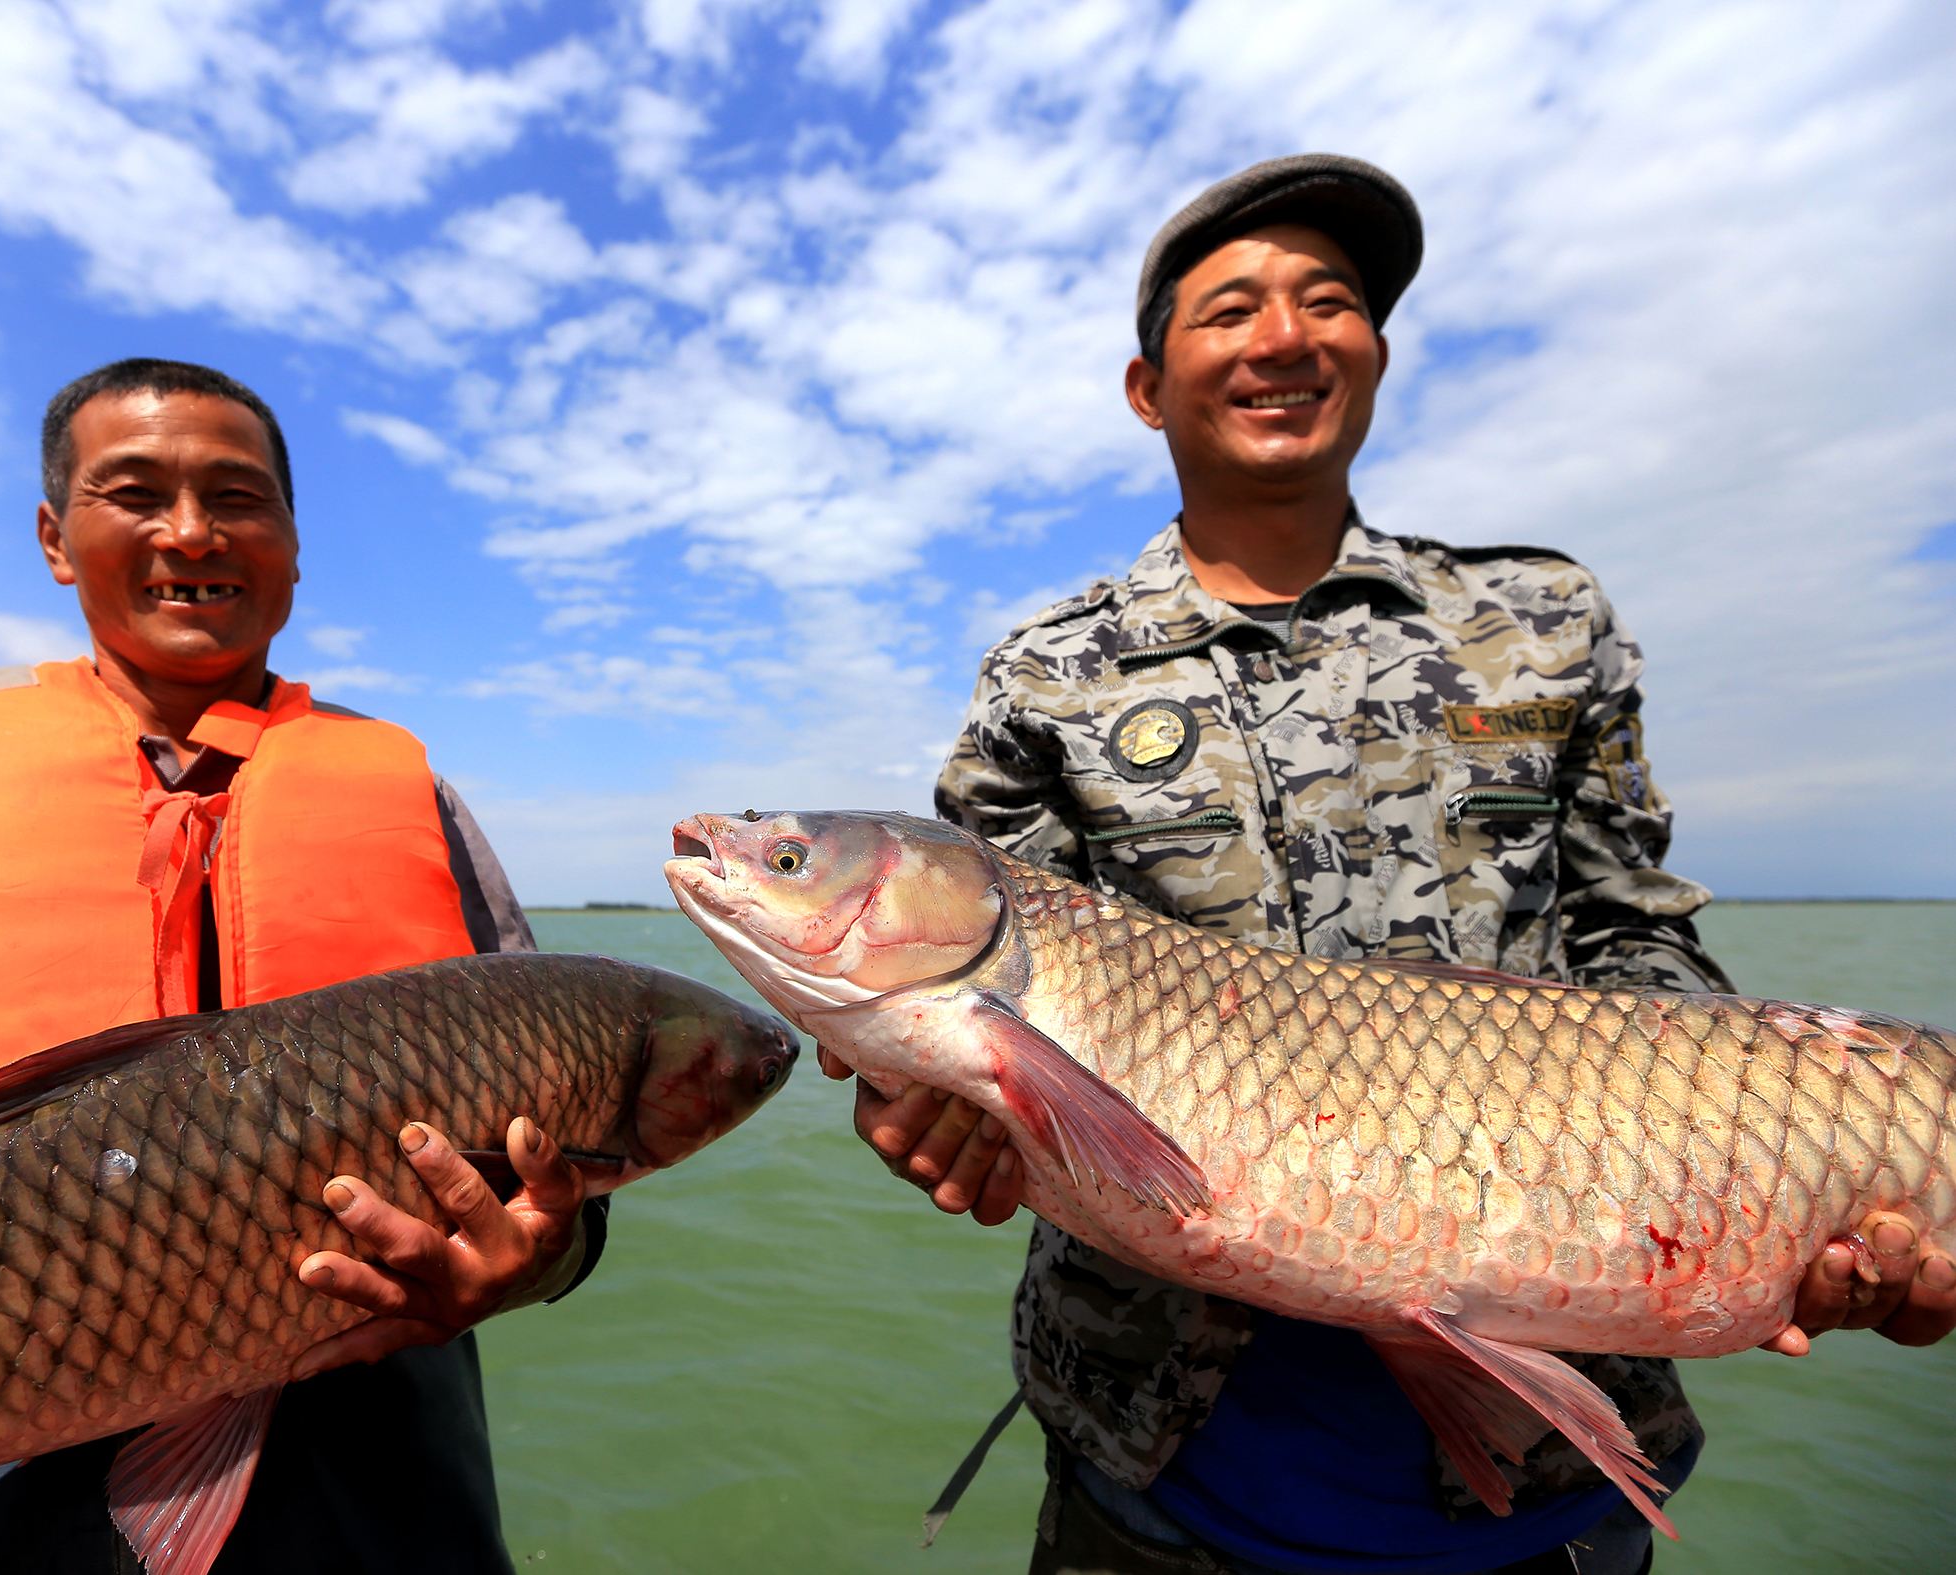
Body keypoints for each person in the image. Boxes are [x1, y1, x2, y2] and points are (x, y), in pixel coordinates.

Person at [828, 155, 1956, 1574]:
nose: (1285, 336)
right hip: (1158, 1468)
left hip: (1557, 1451)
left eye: (1331, 301)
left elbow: (1640, 949)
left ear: (1372, 353)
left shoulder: (1542, 616)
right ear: (1144, 382)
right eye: (1229, 307)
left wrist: (1799, 1188)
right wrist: (934, 1116)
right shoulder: (1047, 674)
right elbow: (981, 1005)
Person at [0, 357, 600, 1574]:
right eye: (135, 492)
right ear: (56, 538)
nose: (190, 532)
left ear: (291, 544)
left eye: (237, 497)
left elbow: (568, 1176)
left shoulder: (417, 804)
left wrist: (539, 1260)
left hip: (365, 1452)